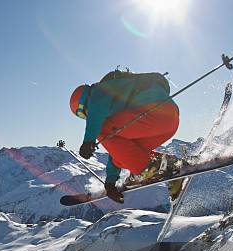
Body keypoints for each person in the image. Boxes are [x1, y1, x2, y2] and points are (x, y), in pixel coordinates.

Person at [70, 69, 183, 203]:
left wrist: (88, 141)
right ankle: (170, 165)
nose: (86, 117)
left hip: (153, 113)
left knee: (103, 129)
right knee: (124, 153)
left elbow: (96, 111)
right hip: (168, 120)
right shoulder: (117, 100)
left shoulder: (99, 91)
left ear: (84, 103)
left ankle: (147, 168)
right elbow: (117, 149)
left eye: (82, 115)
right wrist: (110, 182)